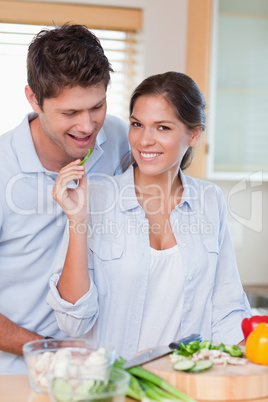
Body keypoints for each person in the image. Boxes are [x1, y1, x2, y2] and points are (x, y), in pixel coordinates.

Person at [48, 71, 251, 360]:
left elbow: (226, 306)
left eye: (162, 128)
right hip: (113, 384)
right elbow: (73, 320)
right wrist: (77, 221)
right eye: (137, 124)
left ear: (194, 134)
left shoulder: (210, 200)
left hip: (182, 384)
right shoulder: (94, 197)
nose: (144, 140)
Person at [0, 23, 129, 374]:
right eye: (70, 113)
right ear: (33, 99)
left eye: (97, 106)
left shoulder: (118, 137)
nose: (87, 126)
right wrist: (50, 349)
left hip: (100, 369)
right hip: (17, 374)